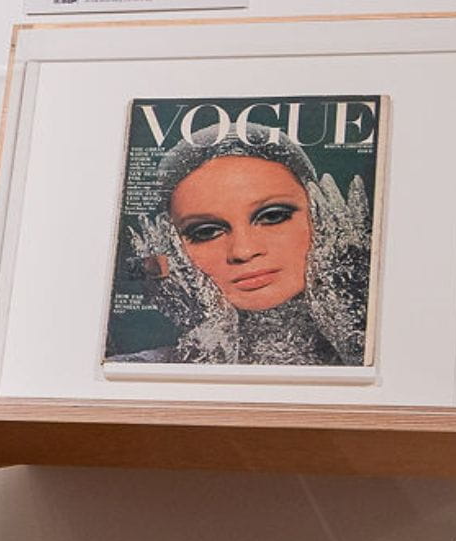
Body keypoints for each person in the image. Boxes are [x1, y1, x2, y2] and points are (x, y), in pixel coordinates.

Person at [118, 122, 371, 366]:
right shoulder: (131, 368)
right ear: (170, 247)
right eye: (207, 232)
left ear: (324, 215)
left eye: (273, 216)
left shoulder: (398, 347)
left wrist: (356, 327)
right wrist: (208, 339)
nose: (244, 251)